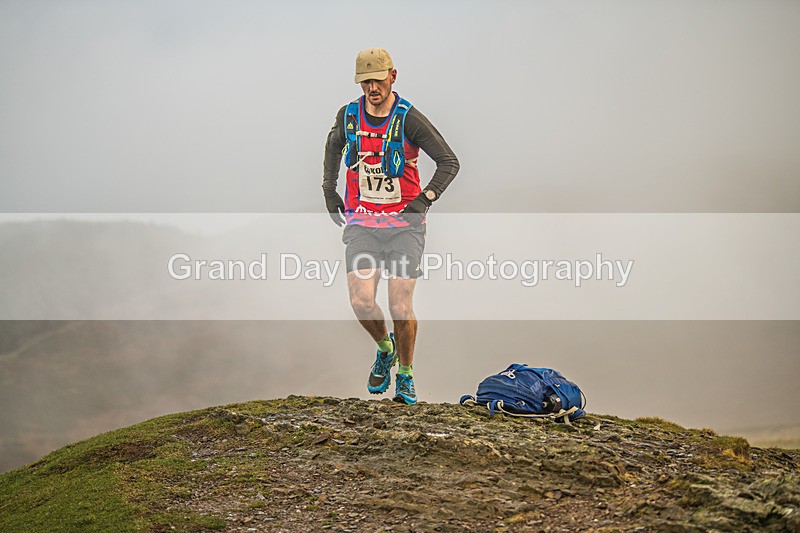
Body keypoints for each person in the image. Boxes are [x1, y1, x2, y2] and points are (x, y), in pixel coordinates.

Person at [322, 48, 459, 405]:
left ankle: (406, 376)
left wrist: (424, 198)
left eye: (377, 80)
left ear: (392, 76)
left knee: (399, 306)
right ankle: (386, 349)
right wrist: (329, 189)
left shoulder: (408, 119)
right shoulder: (349, 115)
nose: (371, 88)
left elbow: (449, 161)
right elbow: (334, 145)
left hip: (404, 226)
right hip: (362, 222)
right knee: (361, 301)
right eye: (364, 82)